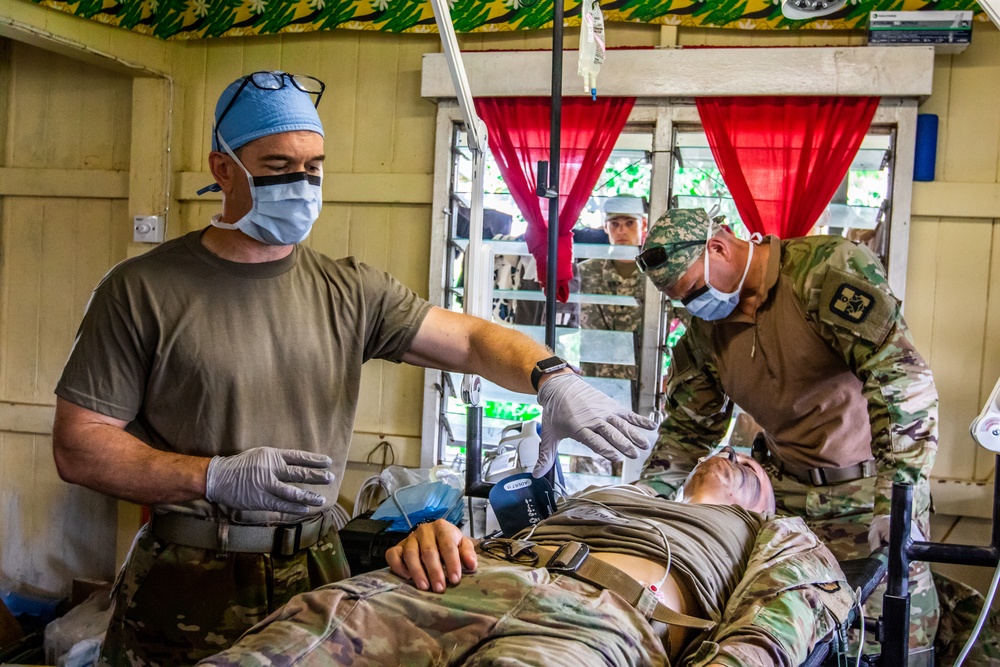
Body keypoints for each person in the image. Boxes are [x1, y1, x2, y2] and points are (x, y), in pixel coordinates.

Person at [51, 70, 656, 667]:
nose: (302, 182)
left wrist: (552, 378)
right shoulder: (142, 290)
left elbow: (471, 340)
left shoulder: (349, 289)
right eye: (279, 165)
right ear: (222, 168)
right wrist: (209, 476)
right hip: (186, 586)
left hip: (318, 574)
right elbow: (79, 447)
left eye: (313, 165)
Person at [199, 448, 855, 667]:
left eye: (753, 468)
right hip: (476, 573)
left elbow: (784, 614)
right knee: (294, 636)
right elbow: (477, 534)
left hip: (599, 617)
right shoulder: (609, 492)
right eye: (730, 451)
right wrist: (441, 532)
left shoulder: (773, 532)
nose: (736, 458)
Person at [635, 208, 939, 658]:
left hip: (867, 496)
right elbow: (686, 431)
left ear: (718, 246)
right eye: (683, 301)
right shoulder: (706, 330)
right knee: (791, 642)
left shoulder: (823, 270)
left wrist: (898, 497)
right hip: (787, 505)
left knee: (894, 639)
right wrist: (644, 504)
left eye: (696, 290)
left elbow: (899, 379)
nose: (693, 306)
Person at [578, 195, 649, 406]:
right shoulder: (586, 272)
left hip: (643, 387)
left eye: (629, 223)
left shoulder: (655, 275)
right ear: (605, 227)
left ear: (643, 224)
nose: (621, 231)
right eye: (614, 224)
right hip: (594, 385)